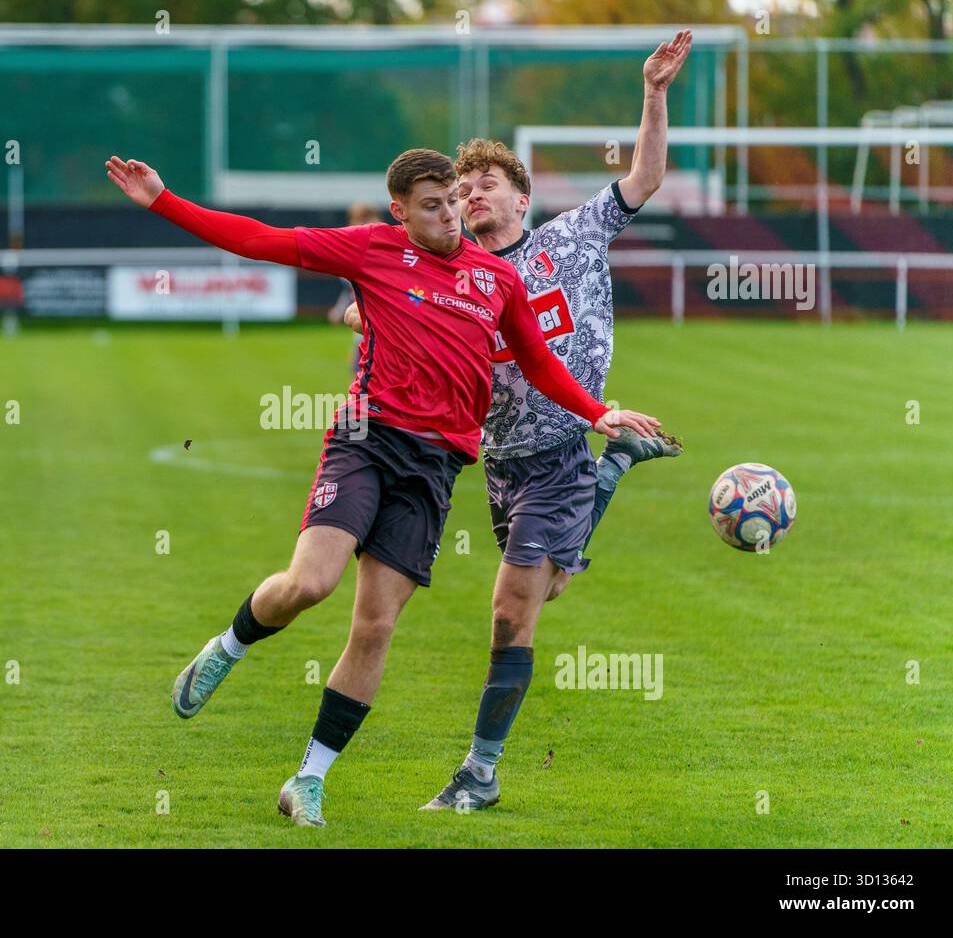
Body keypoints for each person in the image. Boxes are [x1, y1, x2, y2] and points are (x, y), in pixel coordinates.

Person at [106, 148, 662, 827]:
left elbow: (539, 361)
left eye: (455, 201)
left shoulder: (496, 279)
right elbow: (258, 239)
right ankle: (229, 646)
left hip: (433, 470)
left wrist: (598, 413)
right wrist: (164, 200)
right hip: (366, 444)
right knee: (310, 585)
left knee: (375, 628)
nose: (451, 215)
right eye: (434, 206)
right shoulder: (371, 250)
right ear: (400, 212)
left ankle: (307, 780)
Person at [352, 30, 694, 812]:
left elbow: (645, 175)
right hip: (499, 463)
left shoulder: (573, 237)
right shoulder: (453, 270)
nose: (470, 194)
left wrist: (653, 93)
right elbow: (380, 298)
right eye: (462, 186)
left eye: (485, 183)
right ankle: (620, 468)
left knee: (510, 611)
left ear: (521, 195)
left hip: (564, 449)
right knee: (544, 595)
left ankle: (479, 774)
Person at [327, 202, 383, 378]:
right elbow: (349, 291)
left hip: (384, 327)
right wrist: (338, 310)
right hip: (363, 329)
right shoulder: (351, 255)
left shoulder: (385, 250)